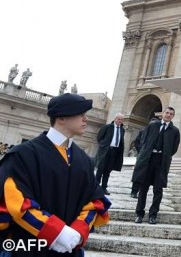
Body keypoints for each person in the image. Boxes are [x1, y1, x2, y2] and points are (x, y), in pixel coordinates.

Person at [0, 93, 110, 255]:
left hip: (71, 248)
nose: (86, 119)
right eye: (81, 114)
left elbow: (94, 200)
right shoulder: (23, 154)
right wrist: (56, 232)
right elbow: (16, 202)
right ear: (61, 118)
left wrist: (78, 231)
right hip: (28, 248)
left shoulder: (85, 160)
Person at [132, 106, 180, 225]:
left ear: (173, 116)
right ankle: (139, 213)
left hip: (161, 161)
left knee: (158, 190)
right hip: (148, 159)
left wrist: (165, 154)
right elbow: (143, 140)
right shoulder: (153, 125)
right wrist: (145, 152)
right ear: (163, 114)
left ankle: (153, 215)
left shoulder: (174, 131)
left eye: (171, 114)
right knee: (143, 188)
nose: (168, 115)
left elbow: (174, 148)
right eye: (167, 113)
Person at [95, 114, 125, 195]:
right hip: (105, 150)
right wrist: (103, 146)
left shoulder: (122, 130)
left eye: (121, 119)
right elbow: (99, 137)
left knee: (108, 170)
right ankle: (95, 187)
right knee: (100, 169)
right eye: (118, 119)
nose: (120, 121)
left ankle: (104, 187)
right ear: (115, 119)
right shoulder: (107, 127)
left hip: (114, 152)